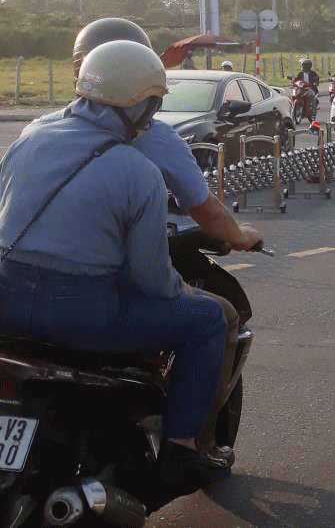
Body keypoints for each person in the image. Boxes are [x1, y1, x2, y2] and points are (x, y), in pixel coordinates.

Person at [0, 41, 236, 487]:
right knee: (206, 319)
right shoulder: (137, 170)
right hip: (81, 316)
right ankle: (183, 451)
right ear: (141, 107)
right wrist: (181, 291)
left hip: (5, 303)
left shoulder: (29, 138)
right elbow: (152, 279)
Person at [41, 18, 259, 460]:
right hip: (87, 295)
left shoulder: (38, 132)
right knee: (210, 318)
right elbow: (157, 269)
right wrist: (234, 239)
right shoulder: (142, 159)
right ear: (144, 96)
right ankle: (184, 447)